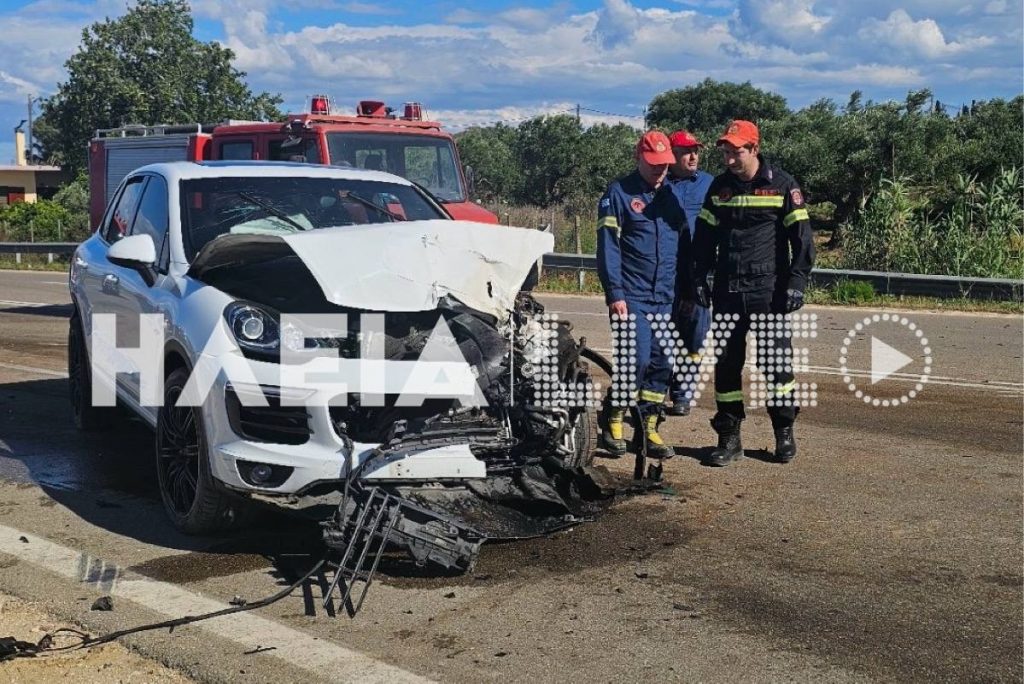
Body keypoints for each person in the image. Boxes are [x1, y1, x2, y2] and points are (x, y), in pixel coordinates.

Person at [691, 120, 814, 466]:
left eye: (737, 151)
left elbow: (802, 240)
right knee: (728, 367)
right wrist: (699, 277)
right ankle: (729, 438)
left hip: (768, 292)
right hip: (728, 291)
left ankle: (784, 431)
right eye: (727, 152)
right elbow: (704, 238)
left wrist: (797, 282)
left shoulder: (782, 185)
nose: (730, 158)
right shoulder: (719, 188)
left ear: (754, 149)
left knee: (776, 365)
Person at [596, 131, 690, 460]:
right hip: (631, 295)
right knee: (635, 360)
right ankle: (614, 419)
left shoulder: (671, 196)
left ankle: (648, 427)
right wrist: (615, 293)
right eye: (653, 164)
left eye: (664, 165)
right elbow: (607, 247)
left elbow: (683, 244)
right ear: (639, 157)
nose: (659, 171)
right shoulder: (619, 193)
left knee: (662, 364)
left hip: (665, 297)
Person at [665, 130, 714, 417]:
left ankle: (683, 392)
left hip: (697, 275)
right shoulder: (657, 184)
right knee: (663, 337)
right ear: (672, 155)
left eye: (696, 150)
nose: (693, 156)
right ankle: (656, 388)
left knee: (693, 337)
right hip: (665, 274)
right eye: (686, 151)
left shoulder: (709, 184)